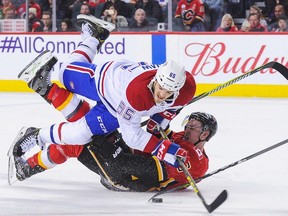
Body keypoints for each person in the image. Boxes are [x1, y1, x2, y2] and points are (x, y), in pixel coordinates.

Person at [13, 14, 196, 170]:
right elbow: (132, 137)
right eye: (160, 88)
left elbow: (173, 107)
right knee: (63, 74)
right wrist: (164, 149)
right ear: (156, 79)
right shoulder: (136, 94)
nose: (162, 95)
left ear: (179, 88)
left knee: (80, 135)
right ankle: (93, 36)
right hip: (106, 81)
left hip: (115, 107)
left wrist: (159, 121)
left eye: (169, 91)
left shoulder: (187, 89)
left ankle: (36, 135)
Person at [10, 111, 218, 192]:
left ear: (204, 135)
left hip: (124, 178)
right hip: (126, 156)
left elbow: (136, 169)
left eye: (194, 127)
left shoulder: (198, 162)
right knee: (88, 129)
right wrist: (167, 112)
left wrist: (111, 153)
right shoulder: (182, 138)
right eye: (188, 124)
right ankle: (37, 149)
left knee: (74, 145)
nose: (188, 128)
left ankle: (28, 164)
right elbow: (156, 131)